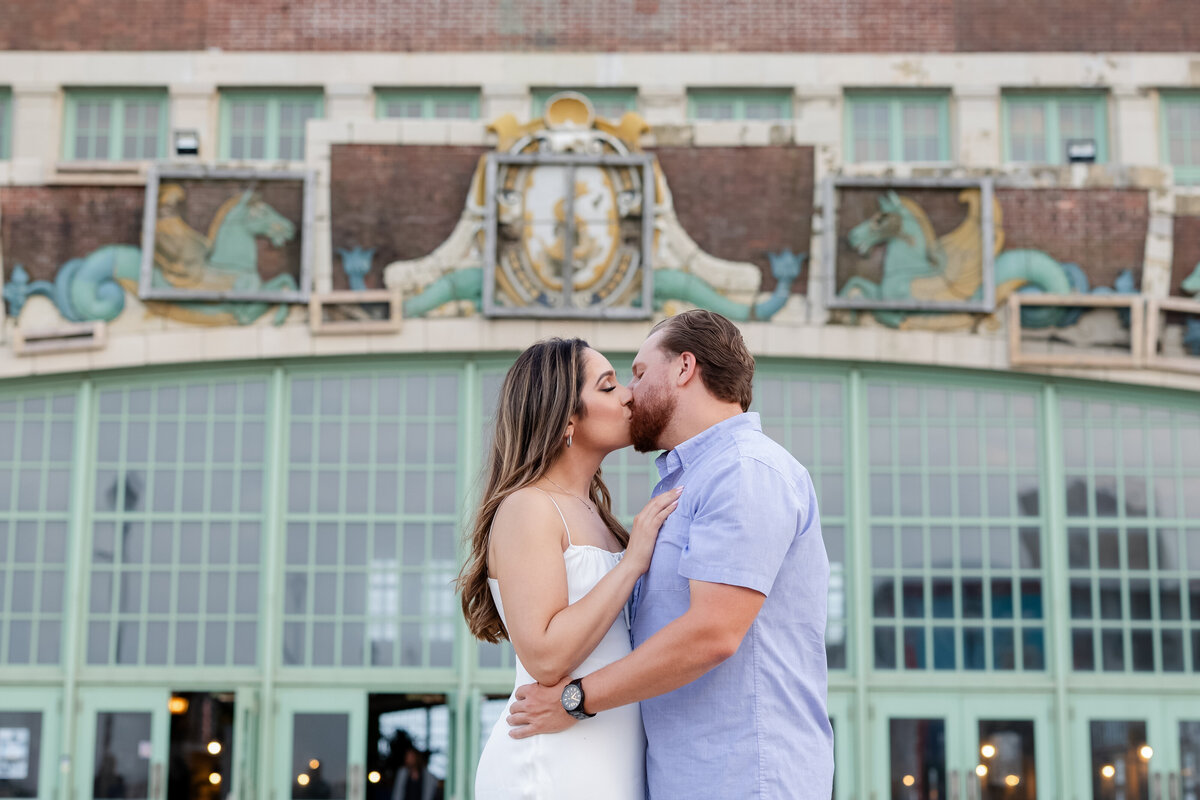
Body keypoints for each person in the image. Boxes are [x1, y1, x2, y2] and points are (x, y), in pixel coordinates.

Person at [506, 310, 835, 799]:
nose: (630, 394)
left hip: (744, 775)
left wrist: (576, 700)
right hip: (680, 775)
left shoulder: (743, 470)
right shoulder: (685, 484)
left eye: (637, 373)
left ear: (684, 368)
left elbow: (712, 633)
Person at [459, 337, 682, 799]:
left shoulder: (600, 516)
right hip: (550, 763)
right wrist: (634, 561)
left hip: (609, 757)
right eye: (607, 387)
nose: (627, 395)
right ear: (566, 420)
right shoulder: (528, 508)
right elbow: (545, 657)